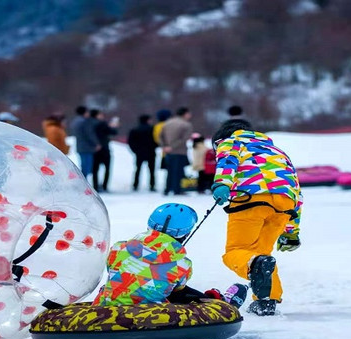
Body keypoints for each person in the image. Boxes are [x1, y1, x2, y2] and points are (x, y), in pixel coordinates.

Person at [210, 119, 303, 316]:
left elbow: (228, 161)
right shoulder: (277, 152)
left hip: (251, 199)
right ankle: (266, 301)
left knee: (236, 251)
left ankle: (257, 274)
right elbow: (296, 190)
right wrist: (291, 231)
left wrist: (222, 184)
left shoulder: (230, 141)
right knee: (262, 255)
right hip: (284, 205)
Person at [93, 203, 248, 307]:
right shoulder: (182, 264)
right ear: (185, 234)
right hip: (148, 314)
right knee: (177, 293)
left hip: (107, 307)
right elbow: (177, 293)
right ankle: (219, 303)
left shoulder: (118, 248)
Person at [160, 107, 193, 196]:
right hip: (179, 151)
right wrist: (172, 147)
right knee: (178, 171)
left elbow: (161, 136)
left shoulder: (167, 123)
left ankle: (167, 189)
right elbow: (184, 139)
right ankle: (177, 189)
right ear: (185, 114)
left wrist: (164, 146)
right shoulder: (186, 125)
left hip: (168, 151)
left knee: (170, 171)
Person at [128, 114, 157, 192]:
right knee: (151, 170)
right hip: (151, 152)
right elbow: (156, 140)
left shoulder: (135, 129)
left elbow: (131, 141)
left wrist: (135, 150)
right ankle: (152, 185)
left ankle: (135, 185)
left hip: (139, 152)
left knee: (138, 169)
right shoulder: (152, 129)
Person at [92, 110, 118, 193]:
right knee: (107, 168)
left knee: (95, 169)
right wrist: (113, 126)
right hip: (104, 149)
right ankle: (104, 186)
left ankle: (95, 185)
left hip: (94, 149)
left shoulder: (89, 124)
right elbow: (113, 132)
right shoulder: (102, 124)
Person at [73, 106, 100, 180]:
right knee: (86, 167)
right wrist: (96, 143)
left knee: (83, 165)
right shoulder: (85, 122)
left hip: (80, 146)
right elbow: (89, 134)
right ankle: (84, 183)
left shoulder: (75, 121)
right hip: (87, 147)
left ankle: (83, 182)